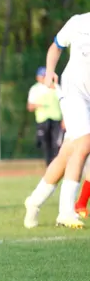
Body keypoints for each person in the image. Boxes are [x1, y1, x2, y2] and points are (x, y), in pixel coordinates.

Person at [24, 12, 90, 228]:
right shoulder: (79, 22)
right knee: (85, 143)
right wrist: (50, 71)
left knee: (67, 153)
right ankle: (66, 211)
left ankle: (34, 201)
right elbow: (56, 47)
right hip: (73, 92)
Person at [27, 67, 63, 166]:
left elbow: (64, 103)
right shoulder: (35, 89)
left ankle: (56, 166)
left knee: (56, 145)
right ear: (37, 77)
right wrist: (37, 105)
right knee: (46, 145)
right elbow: (30, 106)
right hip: (42, 121)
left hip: (56, 120)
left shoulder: (56, 87)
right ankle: (49, 167)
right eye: (42, 76)